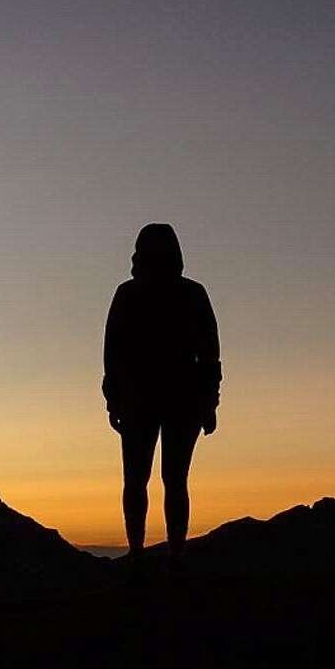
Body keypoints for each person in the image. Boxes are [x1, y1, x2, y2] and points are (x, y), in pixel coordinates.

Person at [102, 223, 220, 575]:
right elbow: (210, 354)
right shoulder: (190, 293)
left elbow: (113, 354)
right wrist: (209, 401)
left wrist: (114, 400)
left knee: (143, 480)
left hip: (150, 399)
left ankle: (148, 554)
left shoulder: (130, 294)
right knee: (169, 480)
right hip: (172, 399)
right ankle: (170, 556)